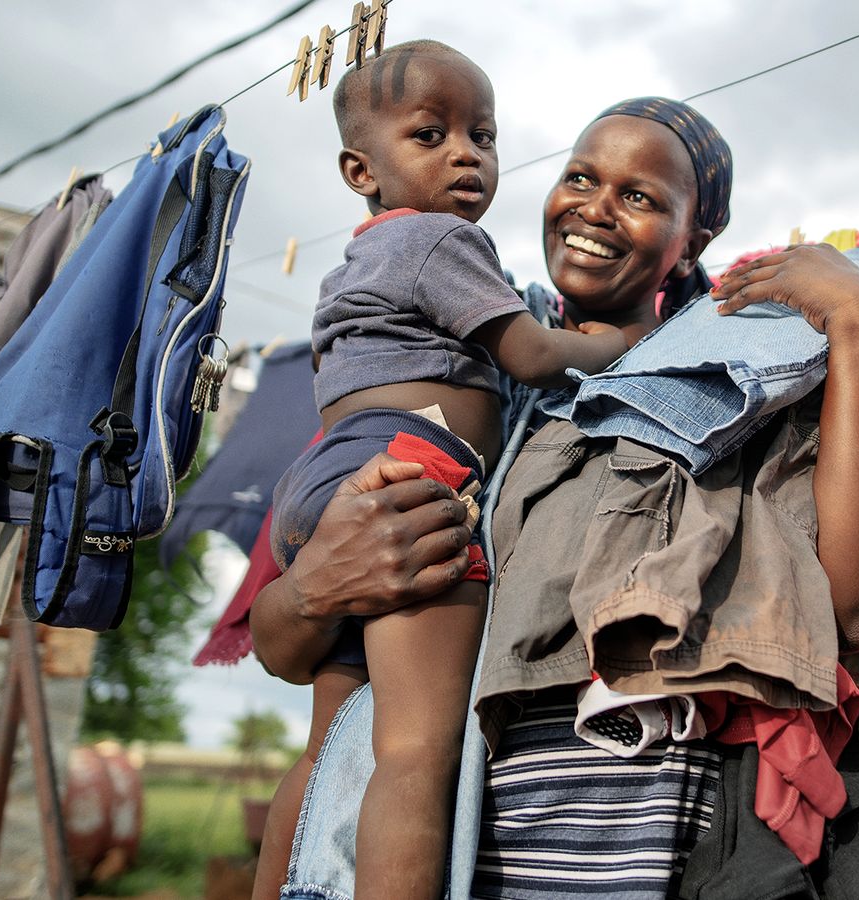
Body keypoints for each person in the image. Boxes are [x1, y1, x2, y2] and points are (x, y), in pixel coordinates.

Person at [252, 96, 859, 898]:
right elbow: (282, 648)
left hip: (641, 858)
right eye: (580, 178)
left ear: (693, 240)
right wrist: (318, 584)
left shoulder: (743, 376)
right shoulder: (459, 377)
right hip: (452, 855)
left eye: (640, 197)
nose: (595, 209)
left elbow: (856, 608)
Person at [256, 40, 628, 900]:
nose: (467, 154)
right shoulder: (438, 242)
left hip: (331, 480)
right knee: (418, 751)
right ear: (361, 168)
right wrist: (622, 344)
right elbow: (534, 355)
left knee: (325, 749)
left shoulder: (366, 255)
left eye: (484, 135)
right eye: (431, 134)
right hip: (413, 470)